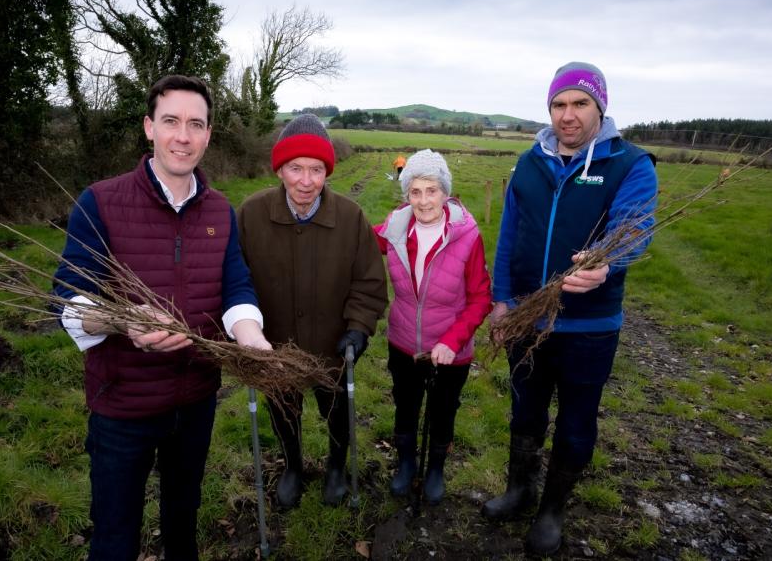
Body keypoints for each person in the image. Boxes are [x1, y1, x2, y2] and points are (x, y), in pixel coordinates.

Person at [53, 74, 272, 561]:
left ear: (209, 135)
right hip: (122, 403)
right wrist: (123, 320)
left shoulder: (220, 210)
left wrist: (250, 336)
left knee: (183, 517)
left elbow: (236, 284)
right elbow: (67, 297)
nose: (183, 136)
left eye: (196, 124)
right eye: (171, 121)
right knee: (115, 535)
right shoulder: (100, 202)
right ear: (149, 127)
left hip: (195, 398)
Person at [481, 62, 657, 555]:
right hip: (526, 318)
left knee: (577, 421)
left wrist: (607, 263)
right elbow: (510, 236)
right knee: (525, 410)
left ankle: (551, 511)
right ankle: (519, 490)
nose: (568, 115)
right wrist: (502, 300)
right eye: (559, 104)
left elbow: (633, 228)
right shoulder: (530, 163)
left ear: (601, 107)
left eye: (581, 103)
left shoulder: (629, 164)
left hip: (589, 326)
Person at [236, 114, 388, 508]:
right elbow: (235, 279)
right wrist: (246, 331)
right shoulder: (251, 215)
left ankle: (336, 467)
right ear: (280, 170)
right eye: (296, 168)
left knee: (336, 408)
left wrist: (359, 327)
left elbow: (369, 282)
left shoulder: (351, 218)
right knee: (283, 408)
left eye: (316, 169)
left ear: (327, 172)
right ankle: (292, 466)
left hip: (331, 345)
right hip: (276, 345)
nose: (306, 181)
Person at [373, 149, 491, 504]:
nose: (424, 201)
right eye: (415, 191)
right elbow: (355, 242)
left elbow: (480, 297)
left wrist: (453, 342)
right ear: (406, 194)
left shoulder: (467, 235)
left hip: (450, 350)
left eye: (432, 190)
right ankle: (406, 464)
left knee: (443, 410)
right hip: (403, 342)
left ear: (445, 193)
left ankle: (436, 468)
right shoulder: (394, 229)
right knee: (405, 406)